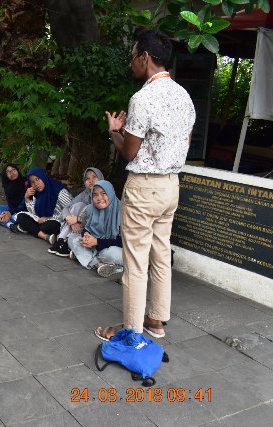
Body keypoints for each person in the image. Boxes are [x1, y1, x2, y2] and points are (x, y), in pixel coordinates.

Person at [97, 29, 195, 341]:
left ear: (146, 57)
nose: (131, 64)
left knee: (136, 263)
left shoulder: (143, 98)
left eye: (133, 58)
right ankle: (157, 320)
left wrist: (115, 131)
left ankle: (131, 331)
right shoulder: (184, 97)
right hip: (170, 186)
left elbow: (129, 151)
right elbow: (184, 143)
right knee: (161, 254)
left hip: (143, 188)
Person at [66, 181, 123, 278]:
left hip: (113, 248)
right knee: (73, 238)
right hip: (94, 246)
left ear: (110, 193)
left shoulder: (122, 212)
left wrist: (97, 242)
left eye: (103, 194)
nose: (99, 198)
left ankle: (83, 256)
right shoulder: (90, 209)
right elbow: (85, 227)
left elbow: (124, 242)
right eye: (95, 195)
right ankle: (98, 264)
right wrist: (86, 235)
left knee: (109, 253)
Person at [48, 167, 104, 257]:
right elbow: (66, 208)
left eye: (94, 177)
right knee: (78, 205)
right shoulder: (85, 194)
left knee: (85, 207)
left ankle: (64, 240)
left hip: (96, 229)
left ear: (101, 178)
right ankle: (62, 240)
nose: (91, 181)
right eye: (87, 179)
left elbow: (99, 218)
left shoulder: (106, 195)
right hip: (79, 227)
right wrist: (71, 221)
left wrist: (78, 219)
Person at [15, 167, 73, 245]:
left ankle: (30, 228)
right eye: (32, 182)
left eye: (37, 179)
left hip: (58, 222)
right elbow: (34, 213)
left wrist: (48, 218)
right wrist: (27, 198)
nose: (36, 184)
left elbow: (72, 211)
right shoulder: (37, 193)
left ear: (43, 177)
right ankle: (45, 236)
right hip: (41, 221)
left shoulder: (59, 191)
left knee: (47, 227)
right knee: (21, 217)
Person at [0, 163, 26, 231]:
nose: (12, 172)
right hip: (13, 208)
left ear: (18, 170)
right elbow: (10, 204)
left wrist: (10, 212)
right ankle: (10, 225)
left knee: (14, 217)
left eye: (14, 170)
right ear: (6, 175)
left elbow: (24, 204)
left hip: (24, 209)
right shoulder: (7, 185)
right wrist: (8, 212)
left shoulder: (25, 182)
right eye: (9, 171)